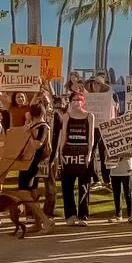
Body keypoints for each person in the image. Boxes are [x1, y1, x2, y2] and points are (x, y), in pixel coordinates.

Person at [56, 93, 95, 226]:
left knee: (84, 186)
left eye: (78, 100)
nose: (76, 102)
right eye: (73, 100)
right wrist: (60, 153)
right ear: (70, 102)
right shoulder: (66, 116)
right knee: (67, 186)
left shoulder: (90, 116)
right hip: (69, 152)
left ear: (83, 101)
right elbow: (63, 136)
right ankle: (70, 215)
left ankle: (83, 215)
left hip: (84, 152)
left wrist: (89, 153)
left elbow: (91, 137)